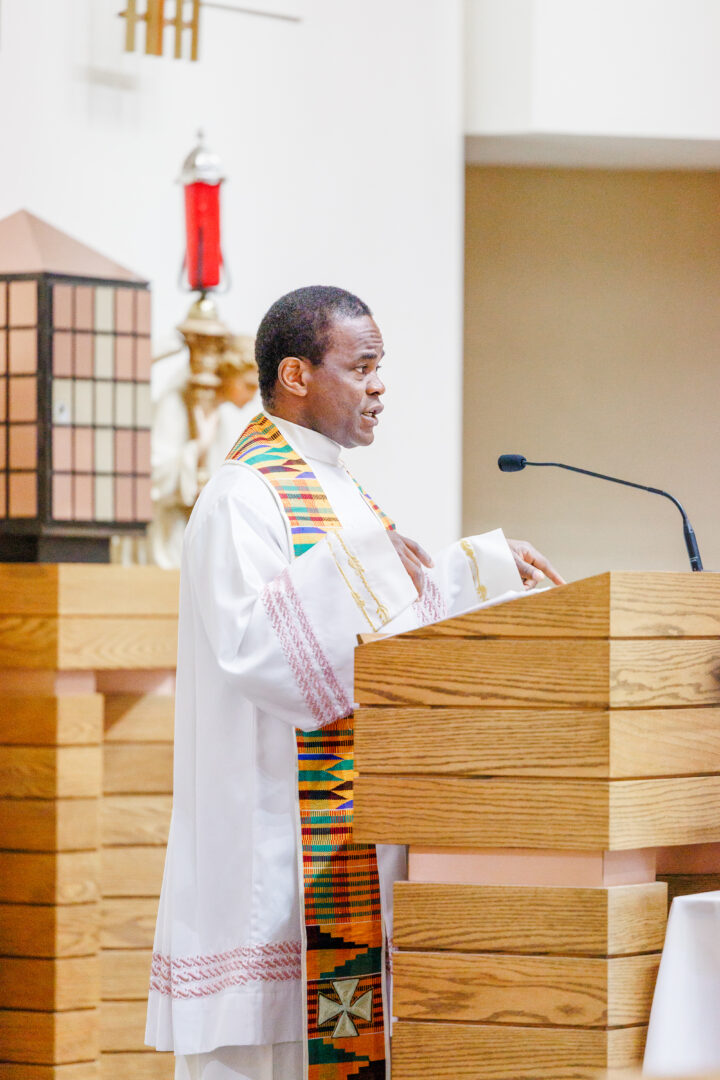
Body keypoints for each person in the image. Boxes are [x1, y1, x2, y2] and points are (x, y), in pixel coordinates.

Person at [145, 286, 563, 1080]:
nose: (380, 387)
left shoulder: (339, 491)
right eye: (362, 366)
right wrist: (364, 566)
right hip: (270, 860)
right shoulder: (245, 497)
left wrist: (482, 573)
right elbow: (259, 655)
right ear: (296, 374)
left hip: (343, 851)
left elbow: (389, 633)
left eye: (382, 367)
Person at [149, 333, 259, 567]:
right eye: (248, 385)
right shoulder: (176, 404)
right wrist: (199, 447)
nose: (253, 396)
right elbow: (155, 475)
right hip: (166, 532)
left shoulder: (217, 416)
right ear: (228, 374)